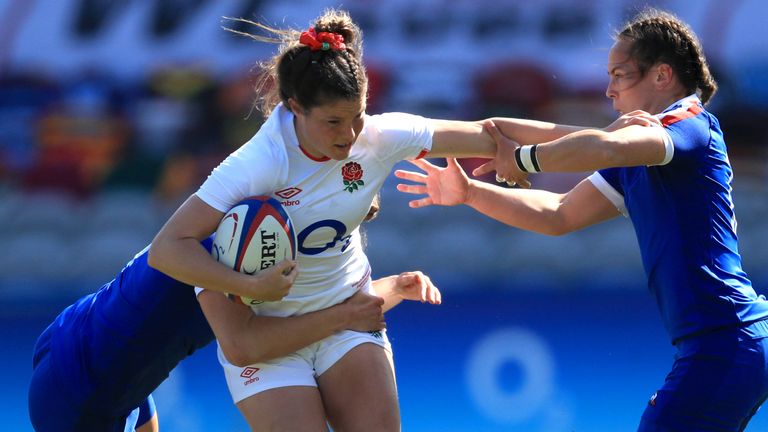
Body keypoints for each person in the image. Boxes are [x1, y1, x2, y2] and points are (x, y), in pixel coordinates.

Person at [395, 8, 768, 432]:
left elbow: (603, 147)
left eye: (620, 75)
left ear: (662, 76)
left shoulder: (689, 122)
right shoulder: (637, 149)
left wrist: (522, 158)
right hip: (725, 342)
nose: (608, 89)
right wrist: (471, 193)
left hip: (725, 340)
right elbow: (558, 214)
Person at [145, 8, 505, 432]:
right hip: (271, 343)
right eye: (334, 121)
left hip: (346, 322)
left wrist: (597, 146)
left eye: (357, 117)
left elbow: (492, 133)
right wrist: (253, 287)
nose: (350, 135)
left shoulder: (372, 138)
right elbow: (171, 257)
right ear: (295, 107)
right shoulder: (251, 172)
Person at [28, 226, 442, 431]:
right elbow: (249, 344)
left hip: (80, 338)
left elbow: (306, 313)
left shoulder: (236, 226)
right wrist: (354, 312)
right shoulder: (250, 252)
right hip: (84, 395)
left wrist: (388, 289)